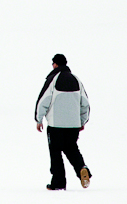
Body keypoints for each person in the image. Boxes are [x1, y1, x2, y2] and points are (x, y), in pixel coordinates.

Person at [35, 54, 91, 191]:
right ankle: (82, 169)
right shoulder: (76, 79)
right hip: (73, 124)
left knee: (55, 153)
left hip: (56, 124)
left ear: (55, 64)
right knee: (71, 148)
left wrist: (39, 119)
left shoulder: (53, 79)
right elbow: (85, 104)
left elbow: (44, 100)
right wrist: (82, 121)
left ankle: (58, 183)